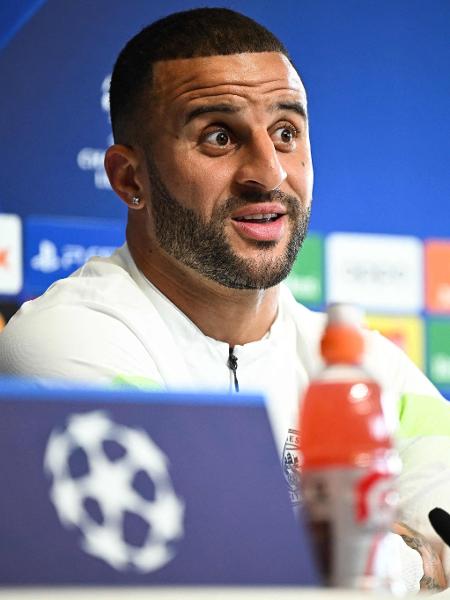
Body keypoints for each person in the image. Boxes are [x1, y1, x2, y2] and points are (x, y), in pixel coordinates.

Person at [1, 7, 450, 592]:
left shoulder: (367, 366)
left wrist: (332, 552)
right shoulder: (63, 342)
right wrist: (408, 561)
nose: (268, 173)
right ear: (129, 178)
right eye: (219, 136)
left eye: (286, 133)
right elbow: (210, 562)